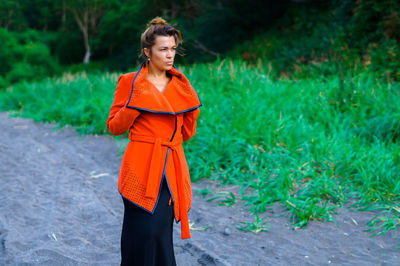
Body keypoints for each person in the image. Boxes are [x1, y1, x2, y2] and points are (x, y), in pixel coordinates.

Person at [106, 16, 202, 266]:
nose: (170, 55)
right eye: (163, 49)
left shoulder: (181, 85)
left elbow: (186, 133)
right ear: (147, 52)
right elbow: (114, 126)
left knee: (159, 233)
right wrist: (134, 105)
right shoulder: (129, 82)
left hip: (171, 166)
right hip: (140, 166)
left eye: (172, 49)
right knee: (141, 232)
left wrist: (190, 114)